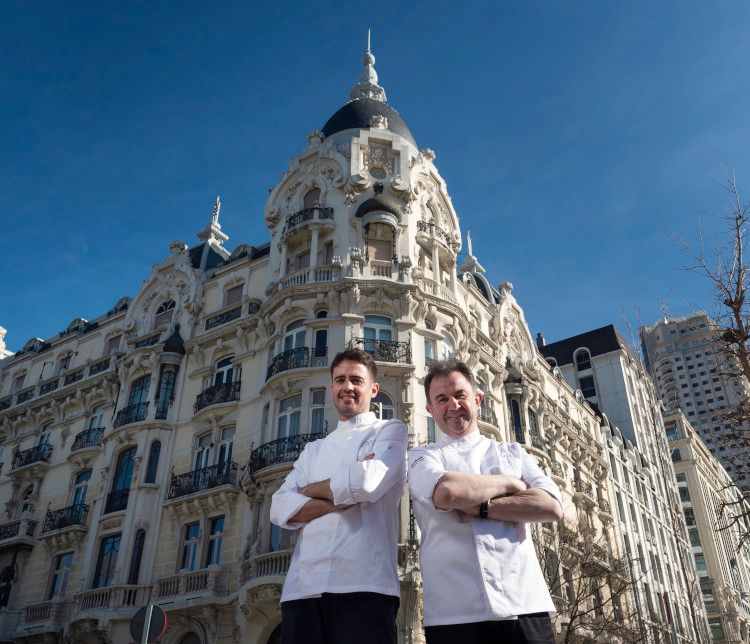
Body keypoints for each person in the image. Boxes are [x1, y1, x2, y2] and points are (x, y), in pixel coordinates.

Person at [408, 359, 563, 644]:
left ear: (477, 399)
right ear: (430, 411)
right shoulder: (421, 456)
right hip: (454, 612)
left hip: (524, 604)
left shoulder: (513, 453)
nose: (453, 405)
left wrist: (481, 507)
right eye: (442, 399)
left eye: (460, 395)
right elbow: (447, 493)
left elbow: (551, 506)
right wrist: (510, 485)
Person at [270, 348, 408, 644]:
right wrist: (348, 491)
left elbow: (369, 482)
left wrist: (307, 491)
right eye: (340, 379)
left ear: (373, 389)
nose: (347, 386)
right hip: (301, 590)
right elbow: (280, 507)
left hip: (366, 586)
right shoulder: (313, 450)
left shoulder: (390, 430)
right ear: (332, 387)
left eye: (356, 380)